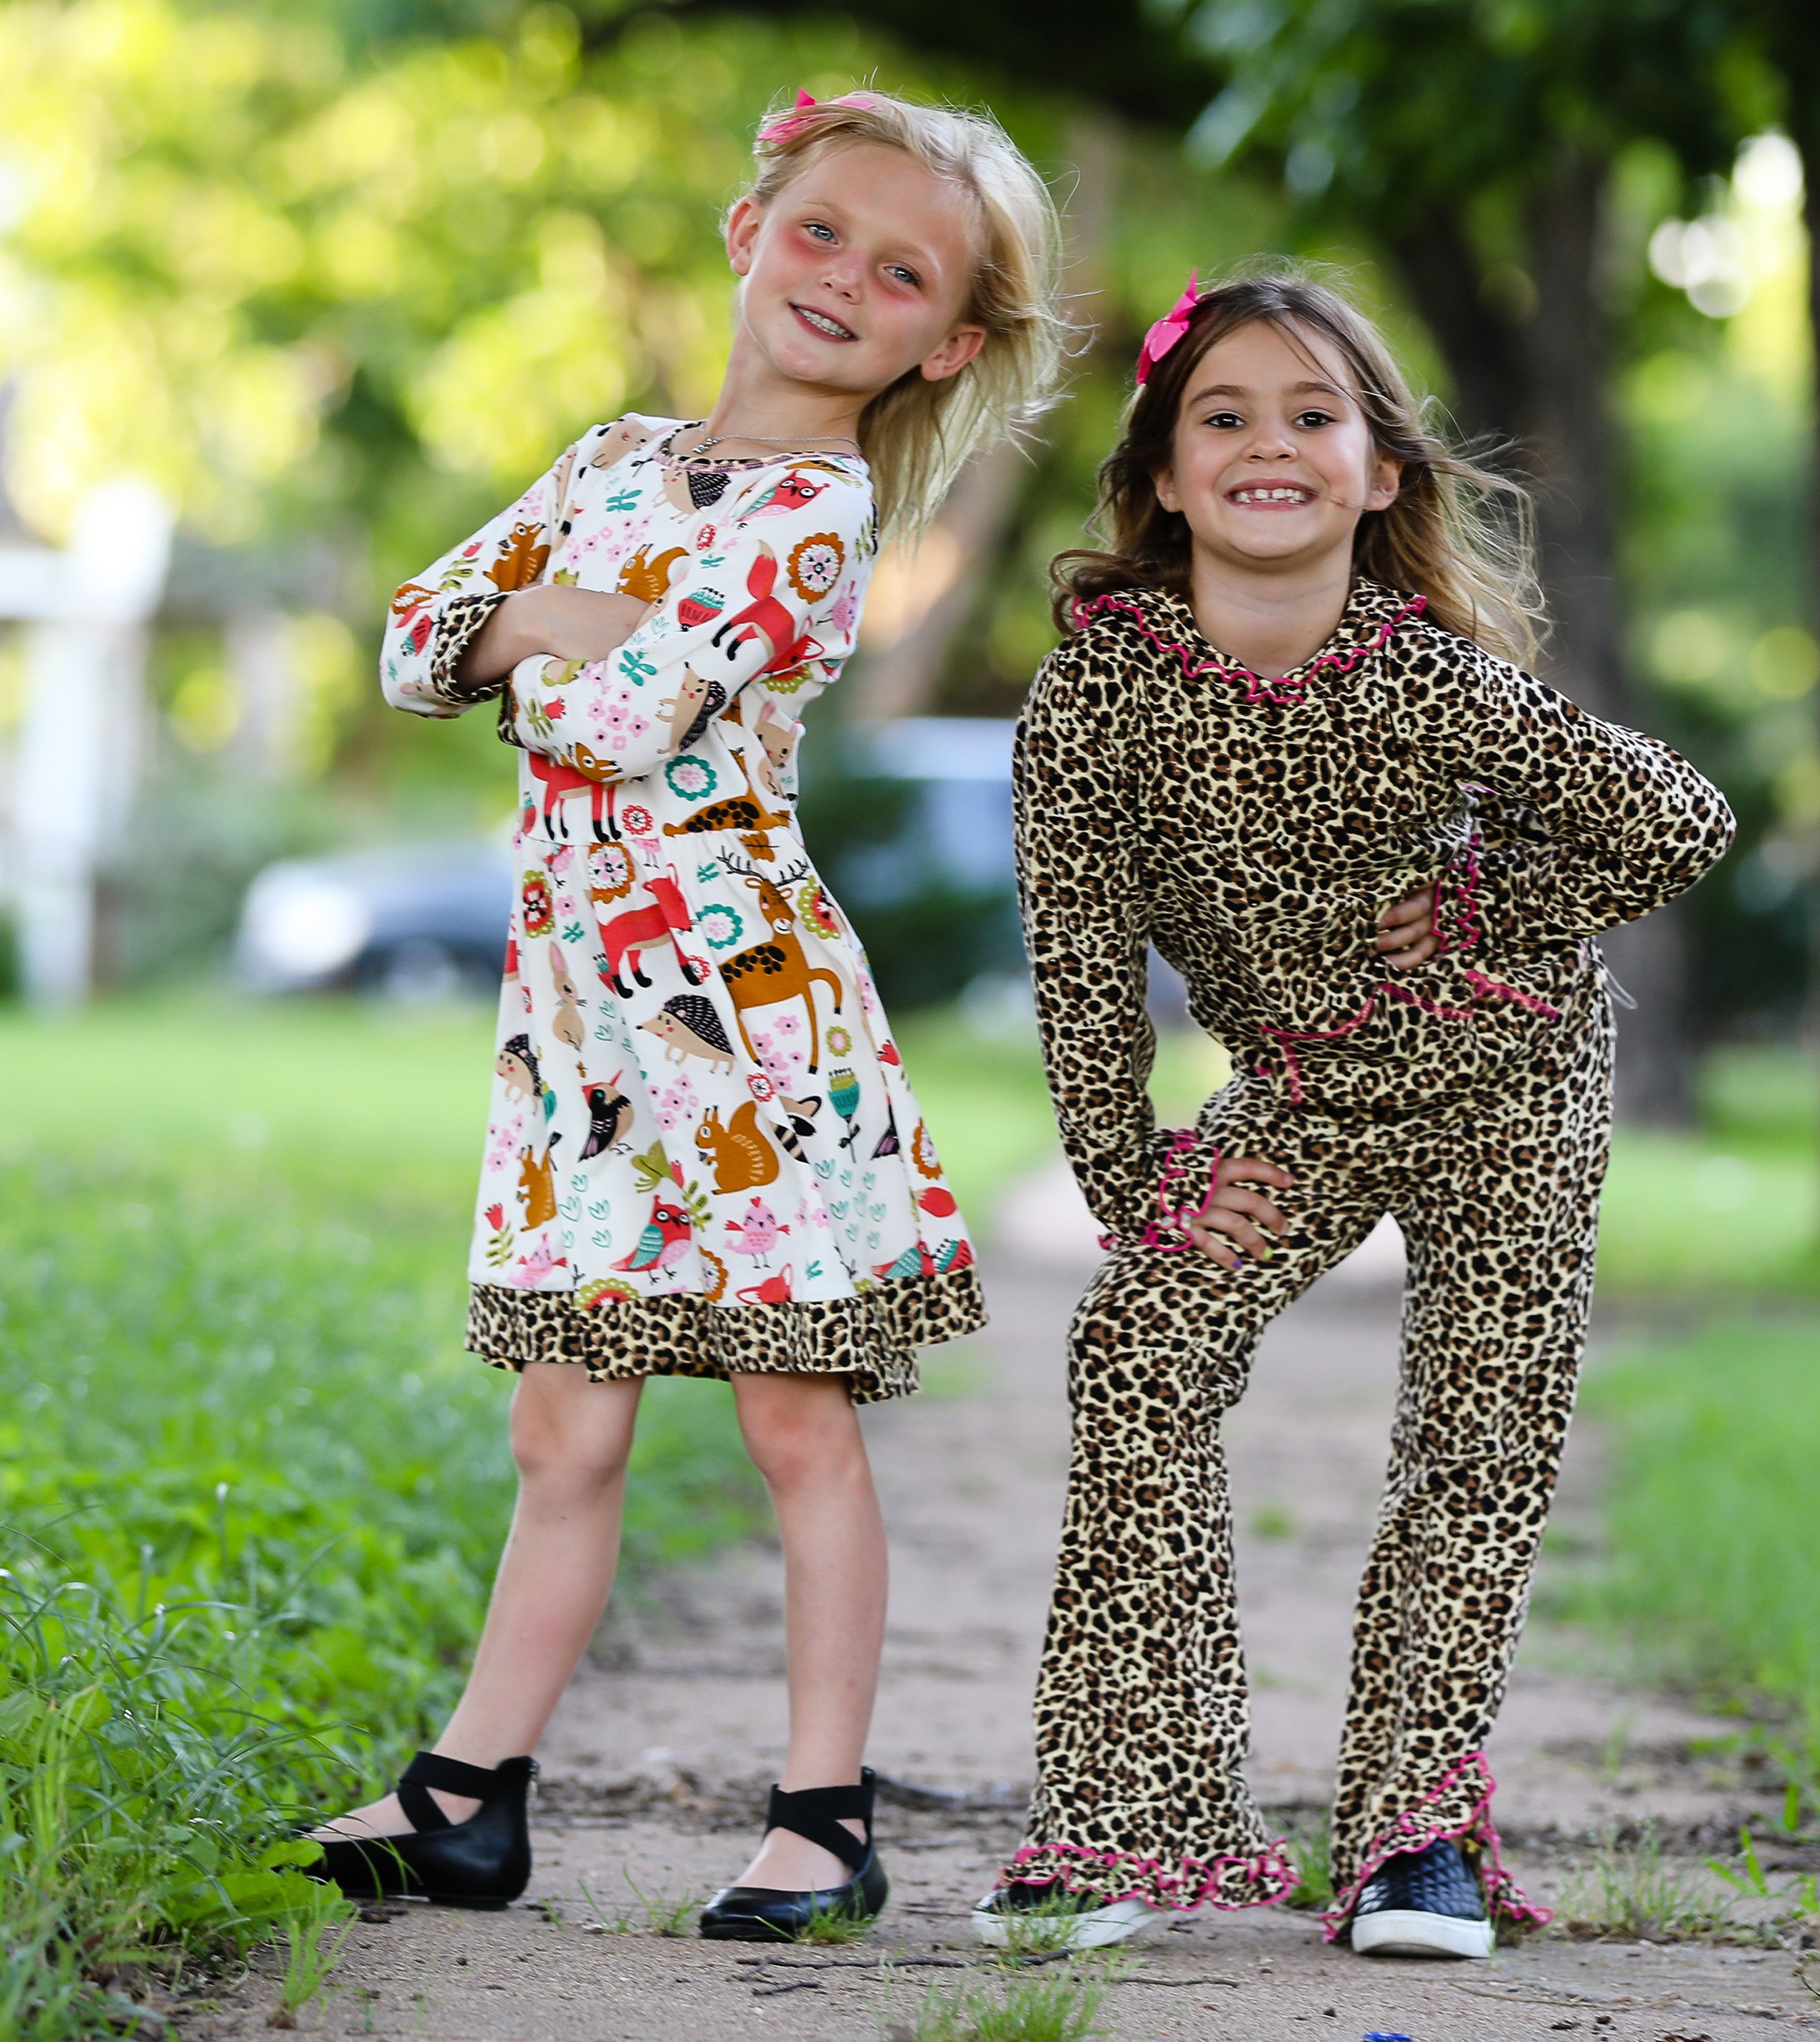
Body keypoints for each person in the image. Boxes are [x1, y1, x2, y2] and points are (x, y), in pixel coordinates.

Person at [310, 88, 1065, 1942]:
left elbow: (614, 715)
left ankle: (826, 1813)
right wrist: (555, 613)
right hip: (577, 1038)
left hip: (740, 1027)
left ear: (937, 342)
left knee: (794, 1419)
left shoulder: (817, 516)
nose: (842, 280)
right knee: (562, 1430)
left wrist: (544, 618)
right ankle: (471, 1794)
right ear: (747, 232)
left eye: (899, 273)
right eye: (819, 231)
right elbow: (413, 636)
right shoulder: (612, 455)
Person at [975, 267, 1733, 1960]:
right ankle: (1126, 1822)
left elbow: (1680, 820)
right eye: (1222, 417)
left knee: (1480, 1440)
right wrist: (1137, 1179)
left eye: (1313, 417)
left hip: (1512, 1079)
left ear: (1381, 473)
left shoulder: (1434, 682)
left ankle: (1412, 1837)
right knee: (1142, 1342)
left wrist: (1488, 911)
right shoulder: (1097, 699)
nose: (1269, 447)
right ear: (1161, 478)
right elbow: (1083, 961)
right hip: (1305, 1095)